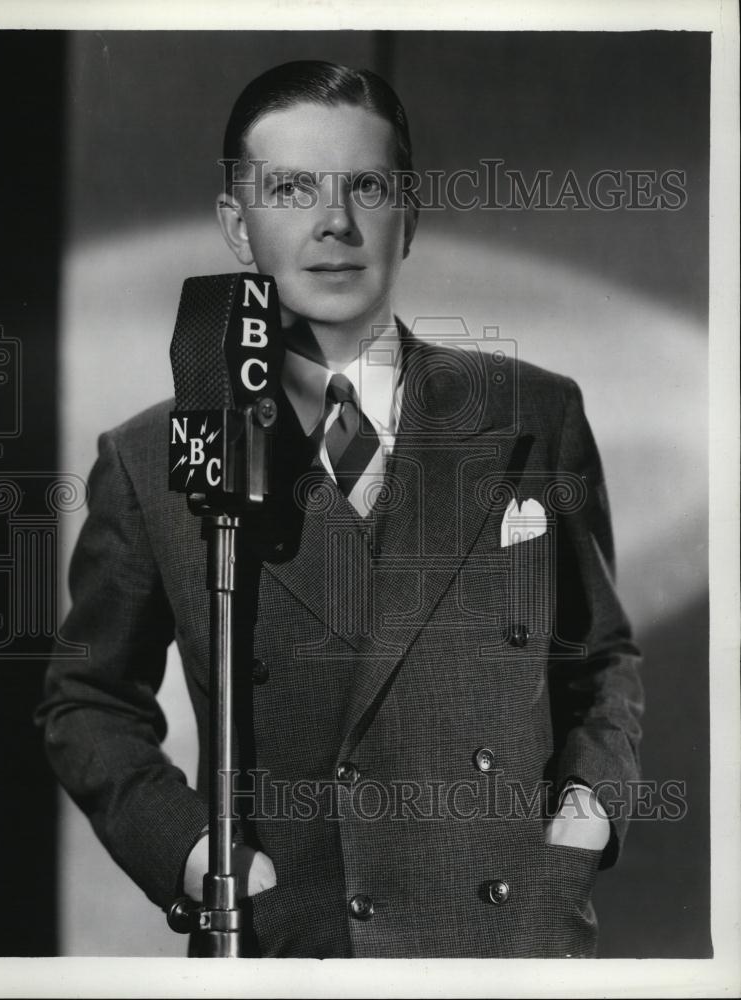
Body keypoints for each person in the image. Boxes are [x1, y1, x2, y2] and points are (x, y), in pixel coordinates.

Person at [37, 60, 644, 958]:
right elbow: (87, 699)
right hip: (294, 940)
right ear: (236, 227)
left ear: (410, 216)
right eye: (289, 190)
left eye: (365, 185)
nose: (334, 223)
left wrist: (585, 815)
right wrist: (201, 859)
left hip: (504, 942)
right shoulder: (150, 457)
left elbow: (599, 659)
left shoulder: (533, 415)